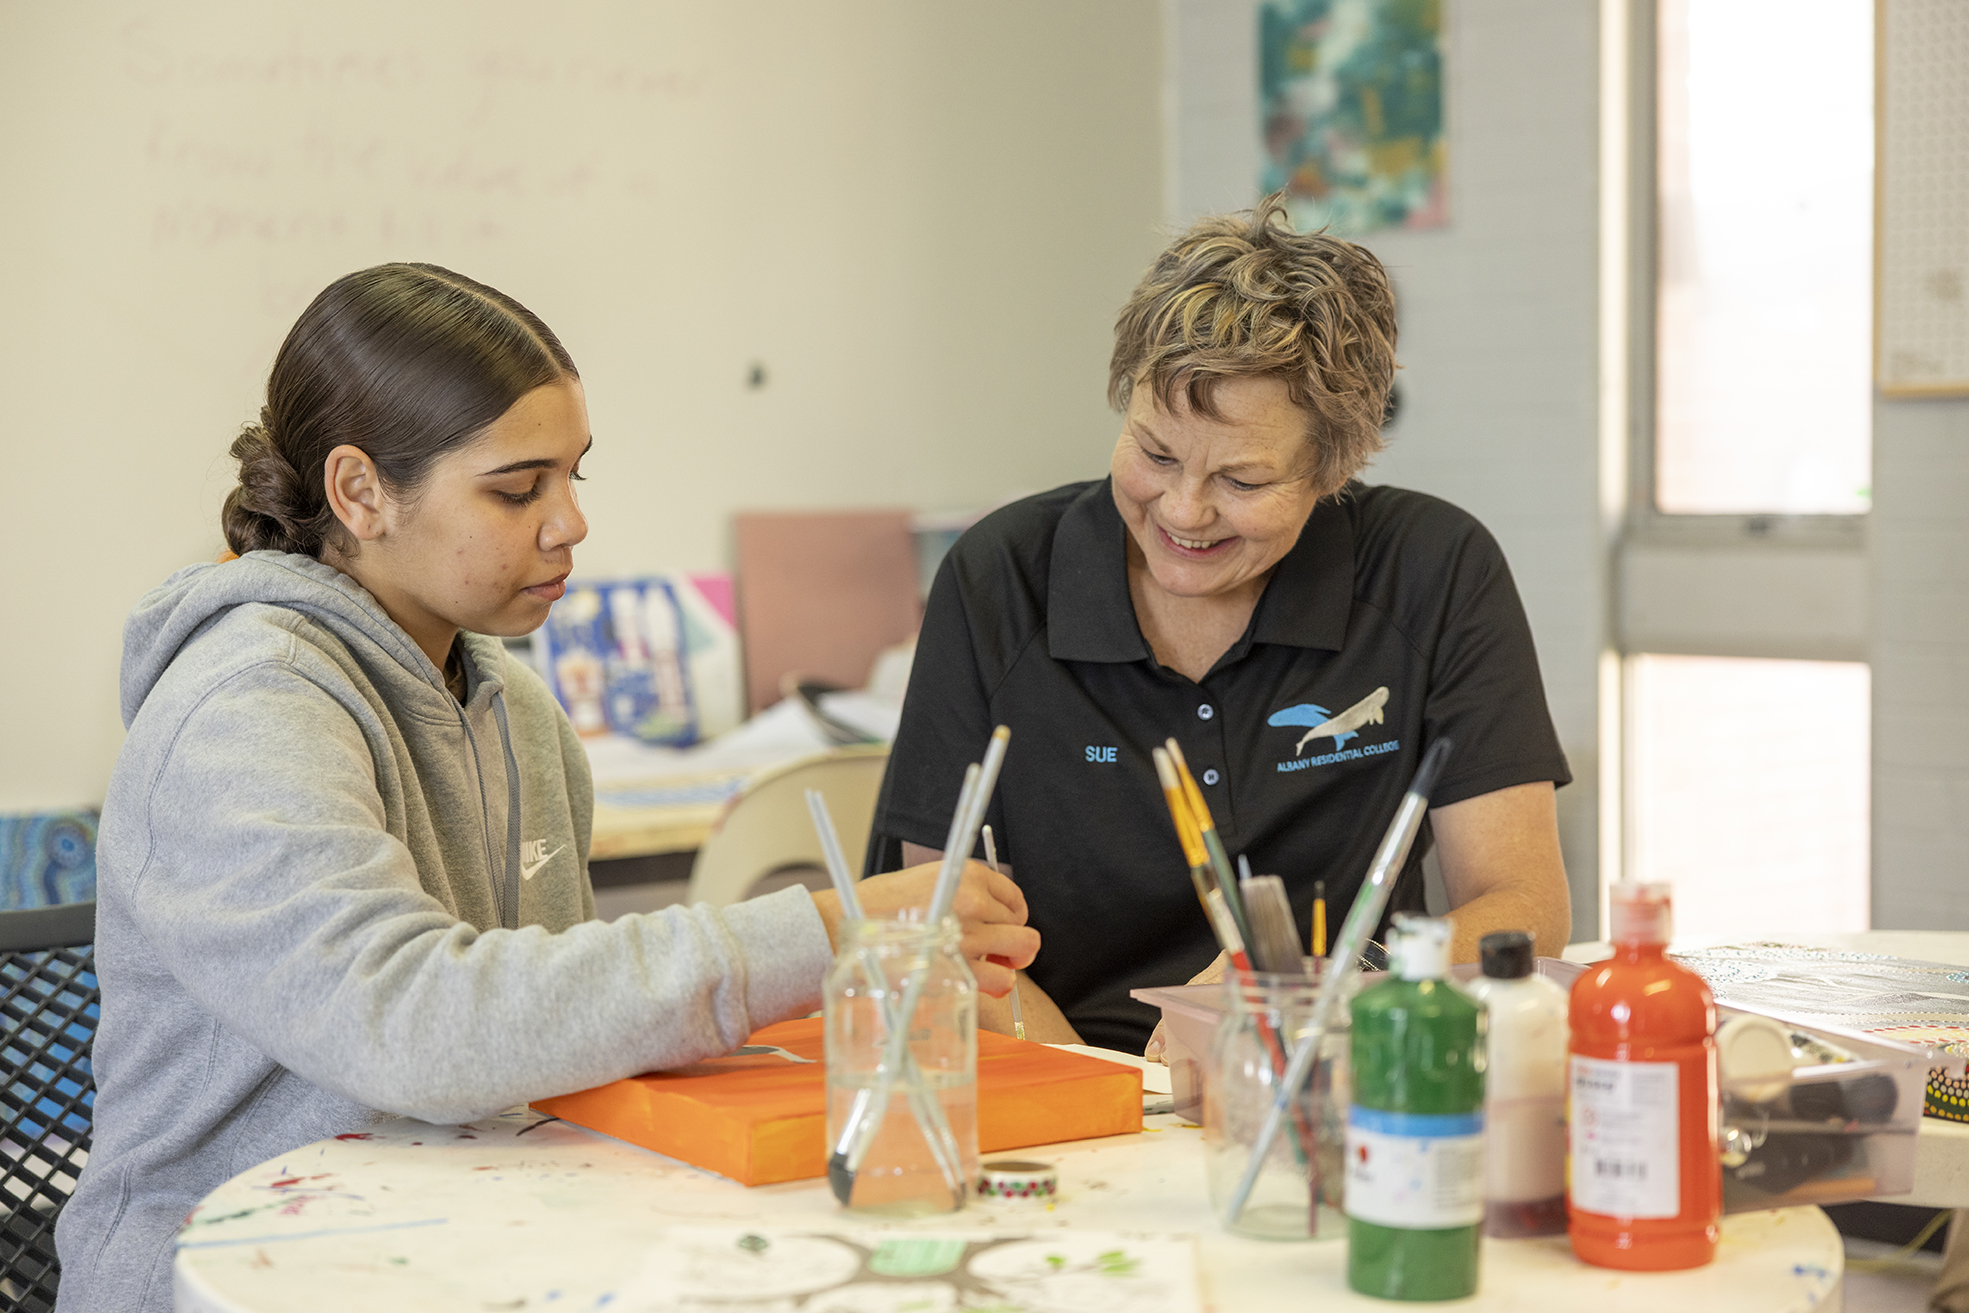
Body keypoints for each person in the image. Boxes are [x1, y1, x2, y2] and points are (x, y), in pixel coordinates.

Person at [55, 264, 1039, 1313]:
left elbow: (537, 1042)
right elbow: (411, 1023)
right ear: (359, 492)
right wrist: (823, 933)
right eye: (517, 489)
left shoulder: (518, 712)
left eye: (575, 475)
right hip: (234, 1275)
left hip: (459, 1247)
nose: (568, 522)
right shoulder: (244, 707)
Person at [866, 198, 1572, 1054]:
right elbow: (943, 936)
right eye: (1155, 453)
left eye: (1241, 479)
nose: (1183, 510)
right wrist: (1119, 1098)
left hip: (1335, 1056)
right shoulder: (999, 580)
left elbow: (1522, 909)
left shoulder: (1431, 570)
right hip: (1069, 1076)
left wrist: (1318, 987)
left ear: (1333, 468)